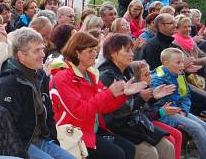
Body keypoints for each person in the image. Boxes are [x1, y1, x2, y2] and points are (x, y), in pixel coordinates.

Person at [50, 31, 145, 159]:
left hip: (92, 129)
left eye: (95, 50)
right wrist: (109, 93)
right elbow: (80, 111)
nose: (95, 54)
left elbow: (104, 107)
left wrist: (122, 95)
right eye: (90, 51)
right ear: (77, 53)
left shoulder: (90, 75)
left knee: (129, 148)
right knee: (117, 154)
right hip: (75, 133)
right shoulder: (63, 77)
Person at [0, 28, 74, 159]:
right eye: (36, 50)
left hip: (41, 140)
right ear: (21, 55)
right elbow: (5, 129)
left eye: (42, 49)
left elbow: (48, 114)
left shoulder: (38, 76)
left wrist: (53, 140)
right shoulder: (9, 83)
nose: (43, 54)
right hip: (21, 145)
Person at [98, 34, 175, 159]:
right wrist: (141, 99)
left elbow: (137, 104)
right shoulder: (107, 76)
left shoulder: (126, 70)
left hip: (134, 122)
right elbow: (115, 112)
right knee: (149, 153)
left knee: (167, 147)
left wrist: (152, 97)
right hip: (117, 127)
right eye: (127, 50)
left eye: (131, 50)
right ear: (114, 53)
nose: (132, 54)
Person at [151, 48, 206, 159]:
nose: (182, 65)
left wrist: (183, 111)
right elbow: (157, 108)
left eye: (182, 61)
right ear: (166, 63)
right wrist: (176, 122)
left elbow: (185, 97)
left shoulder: (180, 74)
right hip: (165, 113)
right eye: (178, 62)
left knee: (205, 126)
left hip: (179, 110)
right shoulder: (157, 79)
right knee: (197, 129)